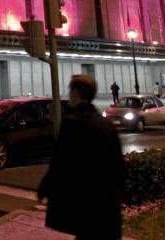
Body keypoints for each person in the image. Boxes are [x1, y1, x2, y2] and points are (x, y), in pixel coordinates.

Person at [37, 75, 124, 240]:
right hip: (108, 207)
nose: (69, 94)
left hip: (86, 207)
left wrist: (44, 189)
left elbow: (60, 162)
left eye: (71, 90)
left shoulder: (71, 122)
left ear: (77, 93)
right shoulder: (106, 124)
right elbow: (119, 166)